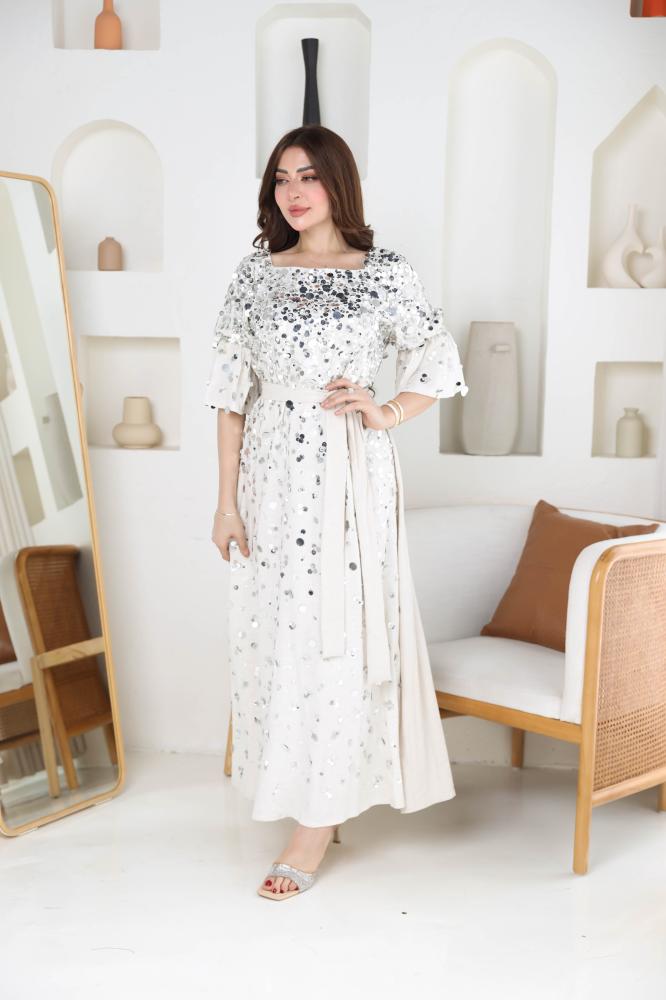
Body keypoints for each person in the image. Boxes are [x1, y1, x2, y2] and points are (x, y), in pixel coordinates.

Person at [204, 124, 469, 900]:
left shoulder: (384, 272)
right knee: (276, 632)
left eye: (309, 176)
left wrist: (386, 412)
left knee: (338, 632)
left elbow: (438, 362)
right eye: (282, 177)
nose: (294, 191)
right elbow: (230, 395)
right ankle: (310, 787)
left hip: (348, 473)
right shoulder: (255, 274)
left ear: (338, 184)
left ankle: (316, 825)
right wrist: (225, 503)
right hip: (268, 475)